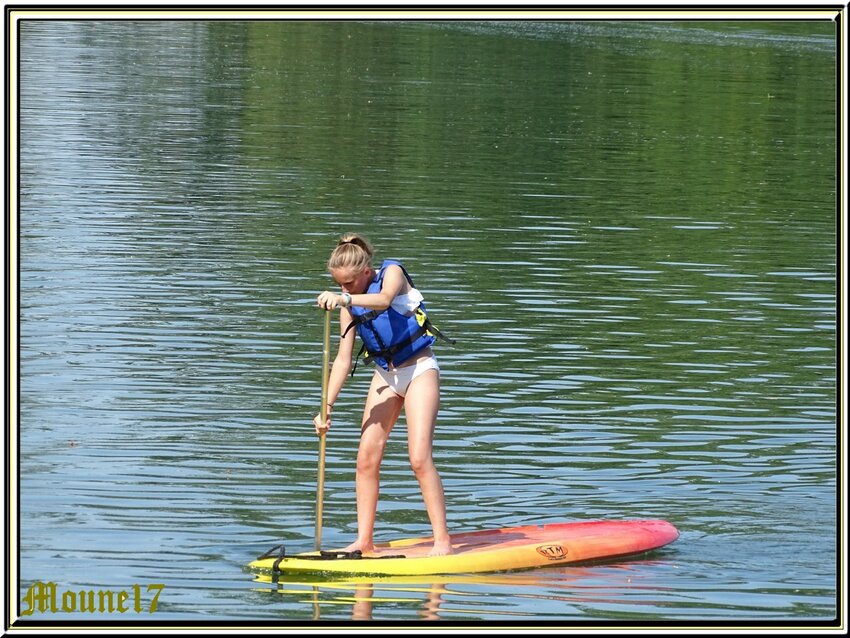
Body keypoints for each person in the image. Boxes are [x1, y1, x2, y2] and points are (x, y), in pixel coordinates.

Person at [314, 233, 453, 557]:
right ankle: (365, 541)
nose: (345, 290)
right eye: (341, 286)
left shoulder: (391, 273)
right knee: (366, 458)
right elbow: (343, 359)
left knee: (418, 458)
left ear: (365, 272)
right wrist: (326, 408)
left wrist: (346, 300)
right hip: (386, 375)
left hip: (419, 369)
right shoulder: (350, 305)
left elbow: (385, 300)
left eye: (349, 284)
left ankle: (443, 541)